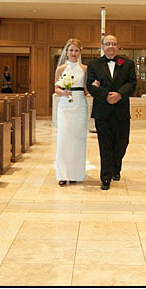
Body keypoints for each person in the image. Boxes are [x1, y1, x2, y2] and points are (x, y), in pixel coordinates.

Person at [86, 34, 137, 190]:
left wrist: (119, 94)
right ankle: (106, 177)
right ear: (102, 46)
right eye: (107, 43)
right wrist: (106, 96)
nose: (110, 46)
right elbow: (90, 85)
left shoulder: (127, 63)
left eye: (113, 43)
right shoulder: (94, 64)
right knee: (105, 145)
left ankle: (116, 167)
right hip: (103, 111)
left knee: (122, 143)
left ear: (118, 46)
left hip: (121, 110)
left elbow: (132, 83)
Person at [54, 38, 89, 186]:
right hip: (65, 106)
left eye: (76, 50)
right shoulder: (61, 69)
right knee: (64, 138)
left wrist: (95, 86)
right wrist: (63, 92)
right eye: (71, 50)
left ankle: (76, 174)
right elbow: (56, 88)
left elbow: (87, 90)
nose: (73, 53)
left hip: (80, 104)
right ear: (66, 52)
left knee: (78, 139)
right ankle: (63, 174)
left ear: (80, 52)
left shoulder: (85, 69)